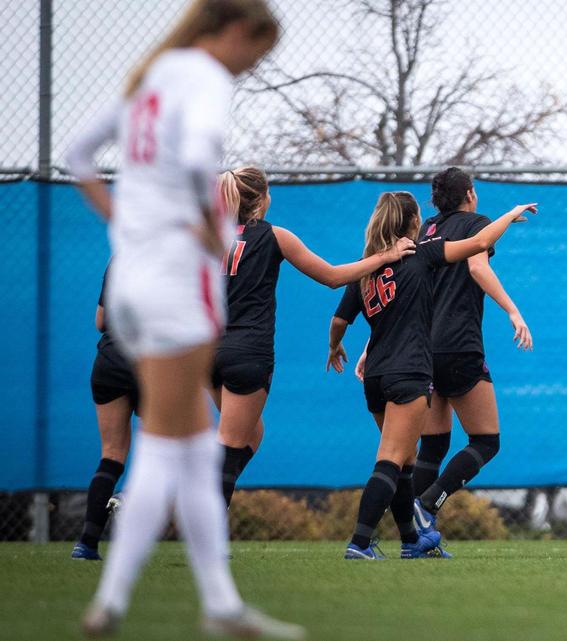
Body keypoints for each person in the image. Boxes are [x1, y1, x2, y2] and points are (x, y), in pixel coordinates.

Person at [65, 1, 303, 637]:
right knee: (173, 449)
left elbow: (77, 156)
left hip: (132, 286)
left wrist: (124, 224)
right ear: (234, 30)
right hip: (176, 283)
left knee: (195, 449)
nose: (252, 65)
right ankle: (113, 601)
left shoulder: (149, 77)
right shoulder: (201, 77)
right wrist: (206, 233)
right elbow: (201, 159)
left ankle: (218, 603)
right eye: (256, 51)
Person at [328, 191, 536, 560]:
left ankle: (412, 541)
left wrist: (336, 347)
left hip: (375, 373)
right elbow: (481, 244)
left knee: (408, 461)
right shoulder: (421, 252)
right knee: (392, 459)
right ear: (412, 223)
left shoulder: (368, 264)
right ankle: (360, 542)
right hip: (408, 371)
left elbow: (340, 320)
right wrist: (512, 213)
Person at [213, 166, 414, 507]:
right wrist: (386, 256)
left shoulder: (210, 238)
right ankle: (199, 526)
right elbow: (333, 277)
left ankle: (190, 496)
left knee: (251, 435)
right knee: (229, 446)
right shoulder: (274, 236)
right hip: (248, 351)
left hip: (208, 350)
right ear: (262, 199)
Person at [399, 168, 532, 555]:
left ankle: (416, 541)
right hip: (459, 345)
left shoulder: (426, 229)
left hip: (423, 348)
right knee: (487, 441)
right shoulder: (476, 224)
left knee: (433, 445)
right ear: (470, 194)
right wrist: (512, 311)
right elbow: (477, 266)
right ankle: (427, 505)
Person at [70, 267, 138, 561]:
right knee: (172, 451)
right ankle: (130, 498)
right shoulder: (178, 250)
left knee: (111, 455)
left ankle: (86, 543)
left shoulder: (120, 259)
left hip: (109, 360)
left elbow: (100, 321)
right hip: (153, 361)